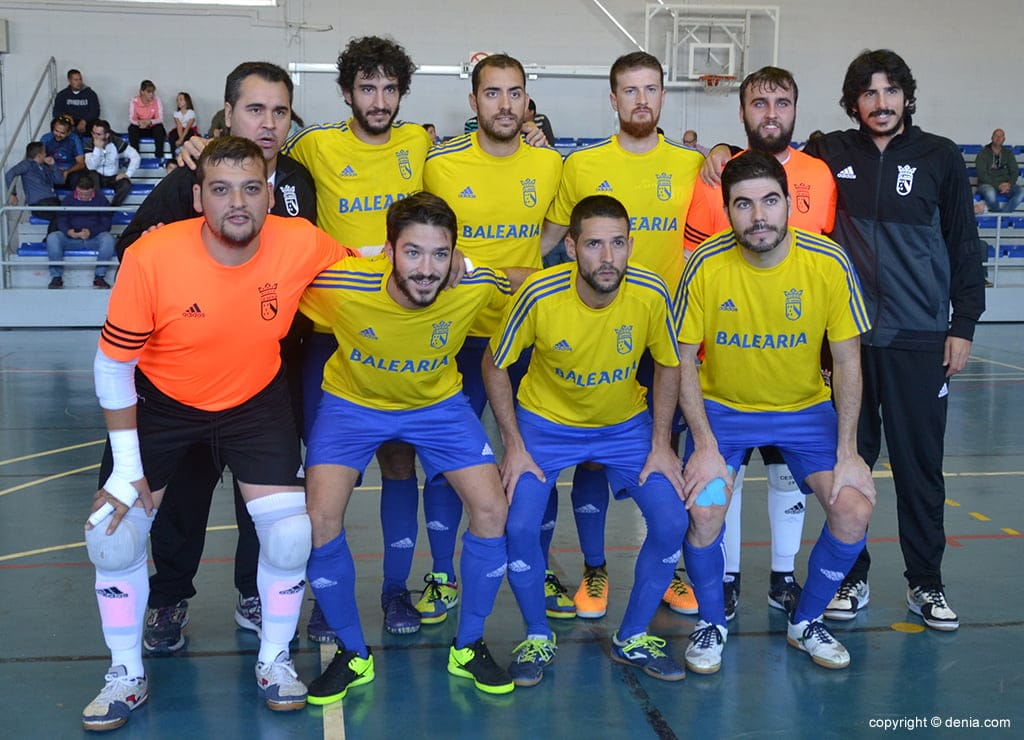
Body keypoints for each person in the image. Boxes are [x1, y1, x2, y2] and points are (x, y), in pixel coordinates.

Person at [81, 136, 358, 731]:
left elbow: (367, 265)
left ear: (269, 193)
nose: (239, 202)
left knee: (289, 537)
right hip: (162, 404)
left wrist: (450, 262)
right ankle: (125, 674)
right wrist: (128, 468)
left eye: (252, 188)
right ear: (199, 195)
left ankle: (275, 660)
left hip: (254, 403)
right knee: (111, 536)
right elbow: (112, 365)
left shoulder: (301, 241)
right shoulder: (153, 256)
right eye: (222, 189)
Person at [115, 61, 318, 656]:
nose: (268, 122)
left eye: (280, 111)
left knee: (271, 499)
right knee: (185, 493)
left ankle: (254, 593)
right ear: (227, 114)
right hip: (186, 377)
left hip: (271, 372)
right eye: (255, 109)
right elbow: (133, 259)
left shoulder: (299, 181)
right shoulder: (190, 180)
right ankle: (170, 596)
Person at [299, 192, 515, 702]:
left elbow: (525, 281)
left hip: (438, 405)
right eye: (413, 252)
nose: (426, 269)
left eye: (440, 254)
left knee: (491, 510)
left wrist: (476, 262)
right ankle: (354, 654)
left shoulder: (473, 283)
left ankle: (468, 645)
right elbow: (275, 279)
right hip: (351, 405)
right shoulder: (342, 284)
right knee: (320, 519)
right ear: (389, 251)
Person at [484, 194, 709, 685]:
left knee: (672, 520)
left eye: (618, 244)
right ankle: (538, 636)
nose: (608, 259)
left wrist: (660, 443)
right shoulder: (539, 294)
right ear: (570, 247)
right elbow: (495, 364)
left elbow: (670, 362)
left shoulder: (650, 292)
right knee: (518, 527)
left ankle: (632, 637)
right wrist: (515, 445)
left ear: (630, 245)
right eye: (594, 245)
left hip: (625, 427)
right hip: (545, 426)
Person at [803, 50, 986, 631]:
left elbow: (965, 245)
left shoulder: (940, 157)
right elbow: (772, 166)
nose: (880, 104)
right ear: (853, 102)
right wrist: (719, 153)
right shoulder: (830, 153)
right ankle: (849, 577)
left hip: (920, 339)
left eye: (890, 92)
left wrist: (962, 325)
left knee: (920, 469)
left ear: (907, 96)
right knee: (848, 464)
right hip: (849, 340)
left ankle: (925, 585)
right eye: (868, 93)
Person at [676, 150, 875, 673]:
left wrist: (849, 452)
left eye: (769, 201)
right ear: (727, 209)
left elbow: (849, 359)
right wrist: (702, 444)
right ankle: (712, 622)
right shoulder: (705, 263)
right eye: (743, 204)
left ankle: (805, 621)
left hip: (804, 412)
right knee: (703, 510)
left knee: (853, 507)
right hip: (723, 412)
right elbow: (682, 360)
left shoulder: (827, 261)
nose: (758, 216)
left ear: (789, 203)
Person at [540, 51, 703, 620]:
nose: (640, 100)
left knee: (665, 452)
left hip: (664, 335)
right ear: (613, 99)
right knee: (590, 457)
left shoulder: (692, 164)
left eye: (650, 89)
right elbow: (551, 240)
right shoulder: (581, 165)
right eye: (629, 90)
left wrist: (724, 156)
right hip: (597, 330)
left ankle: (667, 569)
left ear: (663, 96)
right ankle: (594, 568)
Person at [282, 35, 434, 640]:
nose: (379, 99)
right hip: (332, 335)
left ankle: (396, 590)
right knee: (329, 474)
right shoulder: (315, 145)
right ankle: (328, 596)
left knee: (400, 459)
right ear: (347, 92)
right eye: (366, 87)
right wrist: (200, 146)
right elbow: (258, 157)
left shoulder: (420, 143)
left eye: (389, 88)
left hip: (403, 333)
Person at [684, 66, 838, 619]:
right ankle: (725, 577)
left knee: (783, 470)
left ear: (796, 108)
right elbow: (694, 259)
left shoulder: (820, 175)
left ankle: (782, 575)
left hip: (794, 358)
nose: (770, 113)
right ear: (742, 110)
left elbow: (820, 268)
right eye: (758, 103)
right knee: (726, 477)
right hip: (725, 355)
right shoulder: (714, 174)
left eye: (781, 102)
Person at [420, 53, 565, 623]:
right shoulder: (441, 164)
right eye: (492, 93)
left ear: (528, 101)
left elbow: (554, 230)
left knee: (537, 457)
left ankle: (542, 564)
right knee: (444, 459)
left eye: (515, 94)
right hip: (456, 336)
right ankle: (439, 574)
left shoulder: (550, 165)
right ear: (473, 101)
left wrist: (524, 271)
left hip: (526, 334)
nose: (505, 105)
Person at [44, 173, 116, 290]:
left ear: (92, 190)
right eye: (80, 194)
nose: (83, 197)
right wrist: (68, 231)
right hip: (71, 237)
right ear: (76, 190)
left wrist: (91, 232)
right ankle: (56, 277)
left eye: (86, 194)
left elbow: (106, 223)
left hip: (93, 238)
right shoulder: (69, 199)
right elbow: (61, 219)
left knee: (108, 239)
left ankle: (100, 276)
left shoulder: (101, 200)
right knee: (53, 237)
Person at [5, 141, 65, 232]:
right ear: (39, 155)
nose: (46, 154)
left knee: (71, 213)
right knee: (61, 217)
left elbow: (59, 181)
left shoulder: (44, 167)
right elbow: (9, 174)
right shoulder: (27, 164)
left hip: (53, 202)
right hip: (39, 205)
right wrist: (13, 194)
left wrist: (53, 165)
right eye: (44, 152)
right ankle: (49, 241)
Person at [84, 119, 141, 207]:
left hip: (112, 176)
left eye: (98, 134)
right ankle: (99, 206)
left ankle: (113, 208)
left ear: (107, 135)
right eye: (93, 133)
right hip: (97, 176)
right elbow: (91, 167)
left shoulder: (116, 141)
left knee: (126, 184)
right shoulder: (89, 143)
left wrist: (128, 174)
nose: (95, 136)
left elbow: (135, 156)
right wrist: (97, 149)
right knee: (92, 176)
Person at [975, 128, 1023, 213]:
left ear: (1004, 139)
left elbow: (1014, 171)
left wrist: (1009, 184)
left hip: (1005, 185)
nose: (998, 138)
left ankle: (1003, 215)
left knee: (1021, 192)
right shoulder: (983, 154)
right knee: (990, 193)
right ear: (992, 138)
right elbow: (982, 175)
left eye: (1001, 136)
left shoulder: (1008, 153)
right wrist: (998, 185)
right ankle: (999, 215)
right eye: (996, 136)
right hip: (986, 185)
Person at [128, 80, 168, 165]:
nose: (152, 94)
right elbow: (132, 118)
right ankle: (135, 157)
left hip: (152, 127)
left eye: (153, 92)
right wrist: (140, 123)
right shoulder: (134, 101)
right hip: (140, 127)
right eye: (149, 92)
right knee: (131, 128)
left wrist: (149, 122)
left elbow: (160, 118)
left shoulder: (157, 100)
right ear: (142, 92)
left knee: (159, 129)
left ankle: (159, 156)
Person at [52, 68, 101, 135]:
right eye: (76, 80)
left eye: (80, 79)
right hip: (69, 121)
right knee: (55, 123)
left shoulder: (90, 94)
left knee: (99, 126)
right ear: (69, 80)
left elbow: (95, 112)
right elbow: (56, 112)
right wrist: (67, 117)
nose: (79, 82)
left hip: (86, 122)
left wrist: (84, 120)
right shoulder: (62, 95)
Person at [41, 115, 86, 186]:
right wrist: (54, 169)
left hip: (70, 170)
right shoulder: (46, 138)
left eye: (62, 133)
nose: (58, 134)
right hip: (52, 169)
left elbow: (81, 163)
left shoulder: (74, 139)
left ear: (69, 132)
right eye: (56, 131)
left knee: (76, 178)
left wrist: (67, 171)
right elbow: (40, 158)